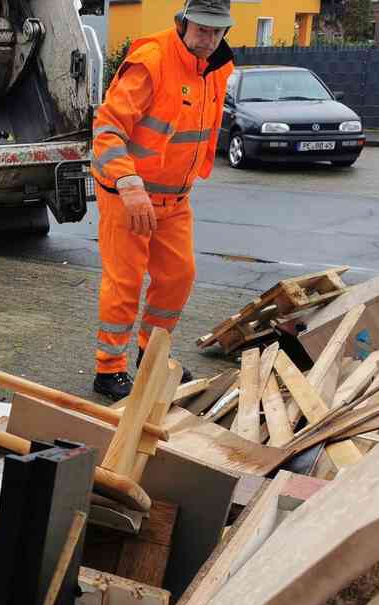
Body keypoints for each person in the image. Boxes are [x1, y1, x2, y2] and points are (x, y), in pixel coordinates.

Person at [89, 0, 235, 400]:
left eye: (216, 30)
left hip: (175, 200)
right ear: (183, 23)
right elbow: (106, 128)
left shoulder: (219, 68)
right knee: (125, 281)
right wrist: (129, 184)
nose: (208, 38)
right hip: (127, 195)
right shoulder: (151, 61)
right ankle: (109, 370)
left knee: (178, 277)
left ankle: (150, 355)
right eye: (201, 29)